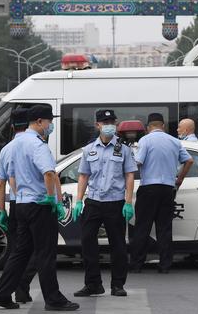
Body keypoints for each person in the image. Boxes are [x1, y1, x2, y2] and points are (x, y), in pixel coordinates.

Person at [0, 104, 79, 311]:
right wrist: (51, 199)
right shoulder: (38, 145)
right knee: (46, 253)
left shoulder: (11, 146)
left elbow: (3, 180)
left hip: (21, 205)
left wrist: (3, 210)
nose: (51, 125)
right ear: (39, 122)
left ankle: (2, 294)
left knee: (21, 252)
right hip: (39, 205)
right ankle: (53, 299)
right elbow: (49, 173)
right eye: (49, 121)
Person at [72, 109, 137, 297]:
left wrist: (128, 202)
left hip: (115, 202)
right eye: (104, 122)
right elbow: (83, 175)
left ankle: (117, 285)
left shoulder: (124, 149)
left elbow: (129, 175)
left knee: (117, 245)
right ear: (97, 125)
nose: (108, 125)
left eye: (111, 122)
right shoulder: (89, 149)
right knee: (87, 242)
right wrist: (78, 201)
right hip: (93, 202)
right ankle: (93, 284)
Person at [130, 113, 193, 273]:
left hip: (149, 188)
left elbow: (138, 162)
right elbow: (189, 161)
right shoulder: (175, 141)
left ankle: (137, 264)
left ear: (148, 127)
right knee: (164, 228)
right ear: (163, 126)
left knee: (142, 227)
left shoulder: (145, 140)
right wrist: (179, 180)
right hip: (167, 189)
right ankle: (165, 265)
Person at [0, 108, 36, 304]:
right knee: (37, 249)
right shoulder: (34, 144)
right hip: (34, 202)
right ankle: (22, 286)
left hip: (15, 203)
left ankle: (14, 289)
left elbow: (1, 183)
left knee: (17, 251)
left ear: (11, 126)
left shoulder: (6, 149)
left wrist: (2, 210)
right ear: (29, 125)